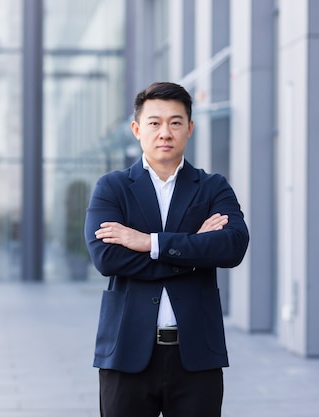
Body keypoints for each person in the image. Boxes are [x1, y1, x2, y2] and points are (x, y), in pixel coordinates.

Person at [84, 81, 250, 417]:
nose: (165, 132)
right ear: (136, 129)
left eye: (175, 122)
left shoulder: (212, 186)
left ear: (189, 128)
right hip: (126, 353)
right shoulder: (112, 188)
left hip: (196, 356)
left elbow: (232, 247)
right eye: (154, 123)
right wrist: (194, 251)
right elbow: (107, 257)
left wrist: (149, 243)